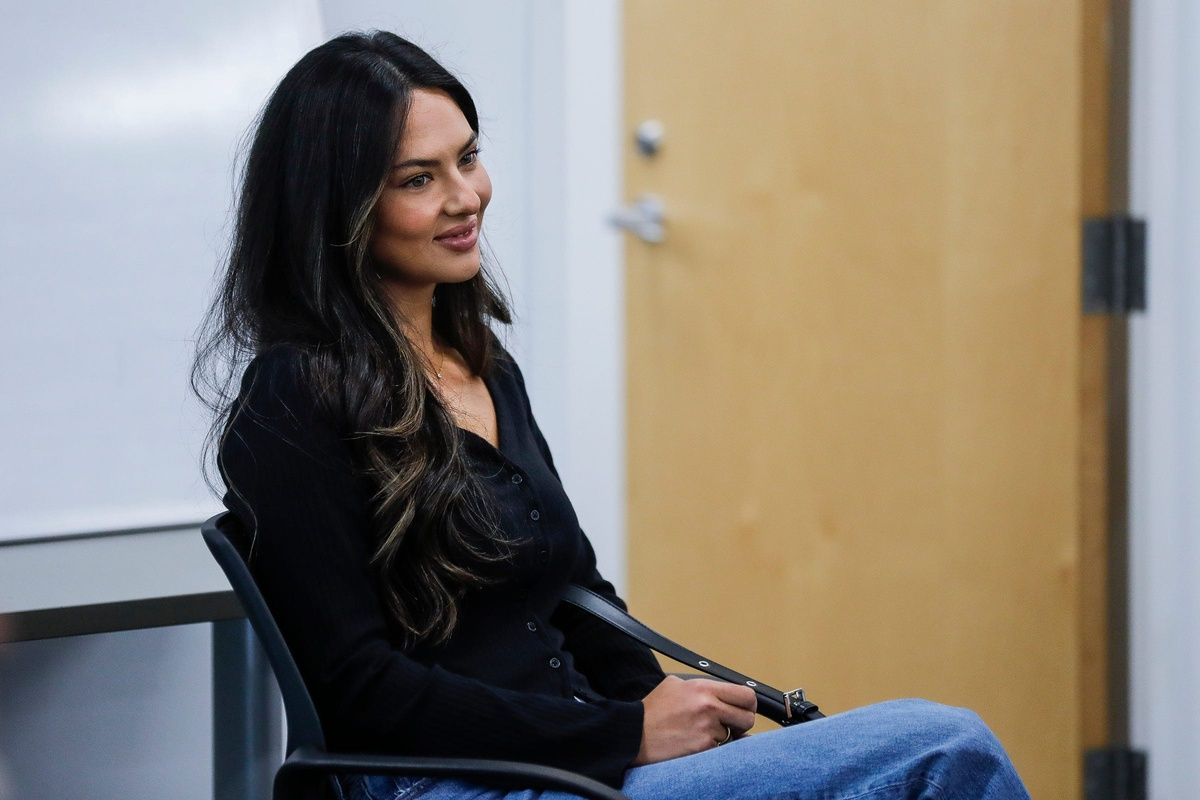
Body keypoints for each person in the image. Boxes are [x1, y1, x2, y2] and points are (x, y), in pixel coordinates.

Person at [193, 30, 1031, 800]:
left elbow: (573, 591)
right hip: (469, 783)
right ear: (337, 214)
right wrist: (625, 732)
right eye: (420, 179)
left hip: (571, 758)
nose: (466, 196)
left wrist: (656, 699)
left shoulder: (482, 363)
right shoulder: (293, 402)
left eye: (469, 158)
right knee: (941, 749)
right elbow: (359, 689)